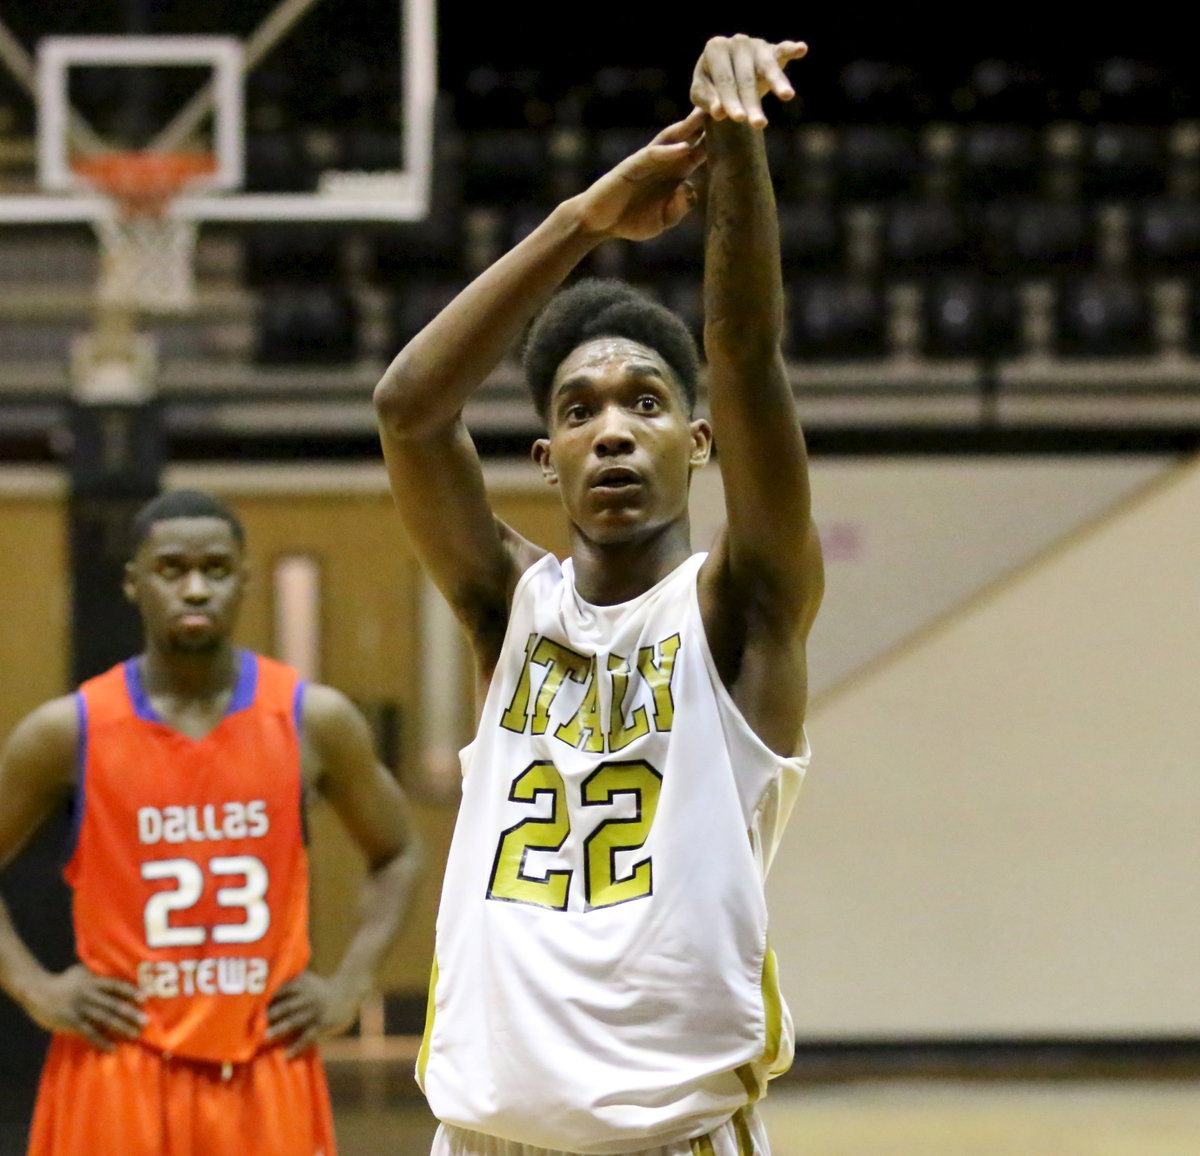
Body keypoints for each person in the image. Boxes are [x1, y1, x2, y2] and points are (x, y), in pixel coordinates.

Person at [374, 32, 822, 1156]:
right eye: (580, 409)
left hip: (667, 1135)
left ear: (700, 439)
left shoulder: (740, 609)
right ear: (548, 455)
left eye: (647, 403)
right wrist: (582, 219)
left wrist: (736, 141)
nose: (613, 428)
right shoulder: (507, 606)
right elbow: (408, 409)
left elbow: (749, 346)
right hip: (483, 1134)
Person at [0, 489, 420, 1156]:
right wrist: (34, 987)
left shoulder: (314, 720)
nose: (196, 589)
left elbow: (396, 852)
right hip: (119, 1064)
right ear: (135, 584)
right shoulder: (68, 731)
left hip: (262, 1062)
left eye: (216, 570)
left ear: (244, 580)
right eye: (172, 570)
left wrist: (350, 985)